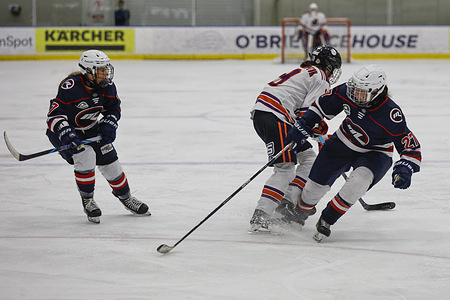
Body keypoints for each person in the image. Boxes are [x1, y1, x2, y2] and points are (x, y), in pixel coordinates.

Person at [283, 64, 422, 241]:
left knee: (358, 183)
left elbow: (410, 146)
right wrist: (305, 124)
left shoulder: (391, 114)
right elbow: (321, 106)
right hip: (342, 142)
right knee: (313, 189)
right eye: (355, 89)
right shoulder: (347, 91)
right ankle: (301, 212)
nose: (355, 94)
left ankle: (327, 219)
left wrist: (405, 167)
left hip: (376, 153)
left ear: (377, 91)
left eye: (362, 92)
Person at [46, 49, 151, 223]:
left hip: (91, 129)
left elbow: (113, 108)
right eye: (100, 70)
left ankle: (126, 198)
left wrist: (110, 122)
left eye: (105, 69)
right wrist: (66, 131)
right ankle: (88, 200)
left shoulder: (107, 86)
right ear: (88, 71)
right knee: (85, 155)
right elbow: (54, 116)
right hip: (64, 133)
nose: (105, 73)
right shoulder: (71, 88)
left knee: (110, 161)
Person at [248, 45, 342, 232]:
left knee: (308, 157)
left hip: (267, 115)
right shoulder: (321, 77)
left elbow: (302, 114)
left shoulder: (305, 71)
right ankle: (261, 214)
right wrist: (318, 127)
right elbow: (309, 113)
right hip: (277, 117)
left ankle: (287, 203)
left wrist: (316, 128)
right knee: (285, 169)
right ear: (329, 66)